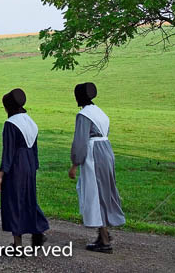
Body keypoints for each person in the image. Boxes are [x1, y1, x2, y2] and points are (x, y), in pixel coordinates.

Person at [68, 82, 125, 253]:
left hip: (94, 154)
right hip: (106, 150)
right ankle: (103, 233)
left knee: (95, 194)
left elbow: (80, 141)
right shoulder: (100, 112)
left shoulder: (84, 115)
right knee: (105, 191)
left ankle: (105, 240)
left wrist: (74, 164)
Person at [0, 88, 49, 250]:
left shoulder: (11, 124)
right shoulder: (31, 122)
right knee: (28, 199)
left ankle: (18, 245)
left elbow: (8, 152)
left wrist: (0, 176)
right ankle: (38, 230)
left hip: (16, 165)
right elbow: (35, 149)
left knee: (13, 202)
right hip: (30, 163)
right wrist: (34, 167)